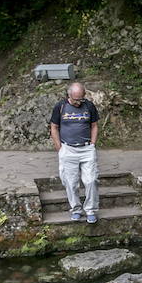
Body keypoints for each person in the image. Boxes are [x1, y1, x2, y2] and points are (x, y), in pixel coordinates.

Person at [48, 82, 100, 224]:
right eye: (76, 100)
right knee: (70, 182)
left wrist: (93, 144)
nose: (79, 102)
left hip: (86, 149)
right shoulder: (60, 106)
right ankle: (76, 209)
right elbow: (54, 127)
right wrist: (59, 148)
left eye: (81, 99)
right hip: (68, 149)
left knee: (91, 180)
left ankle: (90, 210)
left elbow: (94, 125)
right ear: (69, 95)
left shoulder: (89, 106)